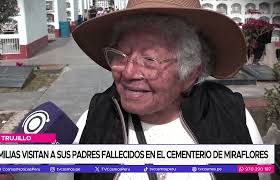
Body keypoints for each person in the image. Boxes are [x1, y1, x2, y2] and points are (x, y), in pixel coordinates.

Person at [71, 0, 266, 179]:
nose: (129, 72)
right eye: (121, 55)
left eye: (149, 60)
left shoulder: (230, 115)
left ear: (190, 75)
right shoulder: (93, 120)